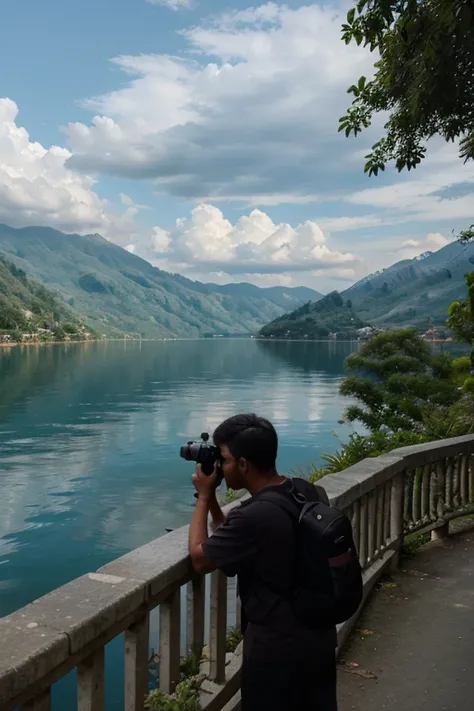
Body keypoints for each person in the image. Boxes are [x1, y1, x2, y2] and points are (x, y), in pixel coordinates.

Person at [188, 413, 338, 711]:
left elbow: (199, 559)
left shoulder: (254, 516)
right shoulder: (306, 491)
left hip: (276, 653)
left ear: (243, 464)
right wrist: (215, 499)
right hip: (318, 639)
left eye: (224, 460)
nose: (220, 467)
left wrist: (203, 497)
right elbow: (236, 536)